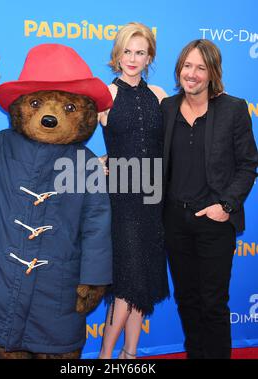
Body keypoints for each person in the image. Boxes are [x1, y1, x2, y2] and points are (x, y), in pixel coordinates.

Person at [161, 39, 258, 359]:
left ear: (212, 72)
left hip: (214, 222)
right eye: (187, 66)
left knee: (213, 303)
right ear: (179, 70)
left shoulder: (233, 108)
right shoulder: (168, 108)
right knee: (186, 301)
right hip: (175, 220)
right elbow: (150, 159)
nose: (192, 73)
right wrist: (108, 164)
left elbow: (248, 164)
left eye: (200, 67)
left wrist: (226, 206)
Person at [98, 22, 169, 359]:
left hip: (154, 199)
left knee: (144, 283)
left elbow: (173, 148)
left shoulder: (159, 96)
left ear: (149, 56)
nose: (132, 58)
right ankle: (105, 357)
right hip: (123, 199)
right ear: (118, 53)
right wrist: (95, 161)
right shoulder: (105, 95)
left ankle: (130, 356)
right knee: (127, 283)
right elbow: (72, 136)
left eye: (140, 52)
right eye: (127, 51)